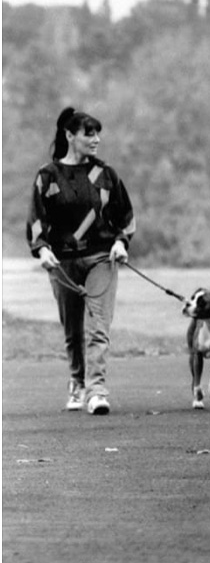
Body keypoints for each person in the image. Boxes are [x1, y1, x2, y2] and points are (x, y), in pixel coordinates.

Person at [27, 107, 136, 415]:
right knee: (73, 329)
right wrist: (42, 249)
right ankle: (77, 381)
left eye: (98, 133)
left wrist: (120, 242)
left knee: (99, 327)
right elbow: (37, 221)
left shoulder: (105, 175)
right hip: (62, 263)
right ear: (70, 136)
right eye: (89, 134)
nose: (96, 139)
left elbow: (126, 217)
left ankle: (97, 390)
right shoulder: (48, 176)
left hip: (101, 258)